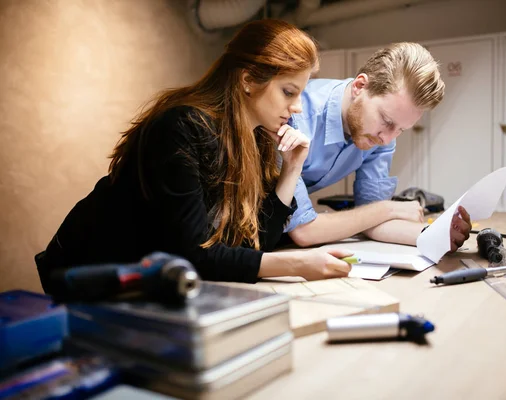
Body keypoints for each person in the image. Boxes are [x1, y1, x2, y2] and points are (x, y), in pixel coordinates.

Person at [35, 19, 353, 293]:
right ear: (247, 80)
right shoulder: (181, 127)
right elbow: (190, 254)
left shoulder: (257, 139)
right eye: (288, 91)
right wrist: (294, 263)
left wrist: (292, 167)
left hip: (152, 279)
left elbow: (252, 245)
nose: (297, 106)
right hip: (90, 272)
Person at [285, 42, 472, 251]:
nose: (387, 139)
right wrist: (387, 208)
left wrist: (437, 234)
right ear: (359, 87)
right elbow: (304, 231)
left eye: (401, 130)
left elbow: (371, 220)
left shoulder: (380, 136)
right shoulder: (294, 116)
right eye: (387, 120)